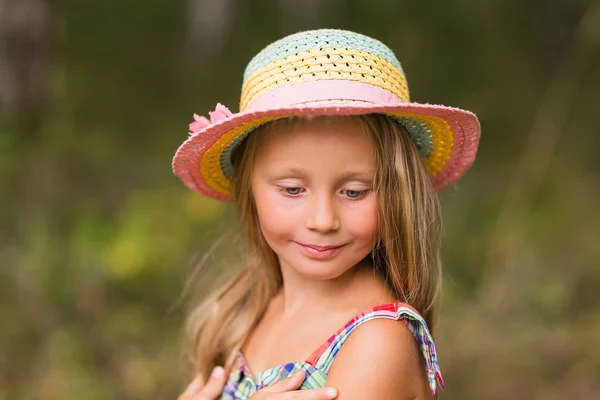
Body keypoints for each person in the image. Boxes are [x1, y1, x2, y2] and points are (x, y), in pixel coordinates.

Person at [172, 29, 480, 400]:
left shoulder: (378, 342)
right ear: (248, 189)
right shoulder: (245, 313)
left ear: (397, 194)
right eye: (292, 190)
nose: (322, 220)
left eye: (354, 192)